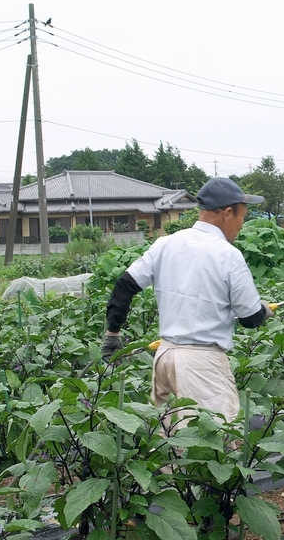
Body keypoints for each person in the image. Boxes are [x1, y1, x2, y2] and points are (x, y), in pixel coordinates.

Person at [100, 178, 273, 428]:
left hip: (165, 357)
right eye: (241, 218)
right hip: (201, 365)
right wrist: (263, 311)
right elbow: (249, 318)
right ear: (227, 213)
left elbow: (124, 285)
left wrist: (112, 334)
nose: (241, 225)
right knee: (214, 437)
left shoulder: (165, 244)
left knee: (168, 439)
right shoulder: (228, 255)